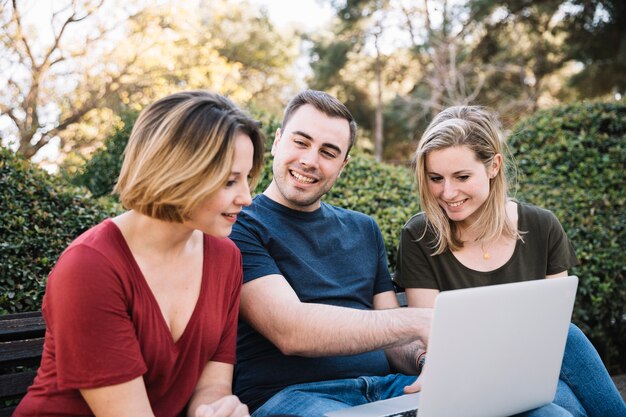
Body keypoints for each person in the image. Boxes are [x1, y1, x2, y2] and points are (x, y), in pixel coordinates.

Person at [15, 90, 265, 417]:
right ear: (178, 174)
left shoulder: (225, 258)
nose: (247, 197)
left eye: (246, 178)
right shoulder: (90, 268)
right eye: (230, 181)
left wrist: (216, 410)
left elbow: (211, 384)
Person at [394, 105, 626, 417]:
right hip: (470, 377)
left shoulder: (542, 226)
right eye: (436, 178)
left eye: (462, 176)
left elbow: (551, 332)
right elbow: (435, 339)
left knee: (566, 339)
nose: (447, 193)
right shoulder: (420, 235)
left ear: (494, 166)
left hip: (535, 370)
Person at [229, 90, 432, 417]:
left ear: (343, 164)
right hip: (294, 397)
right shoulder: (240, 225)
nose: (309, 160)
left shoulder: (363, 229)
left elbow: (394, 341)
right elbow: (289, 330)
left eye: (328, 151)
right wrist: (415, 320)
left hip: (387, 389)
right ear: (277, 141)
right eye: (300, 142)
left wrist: (426, 361)